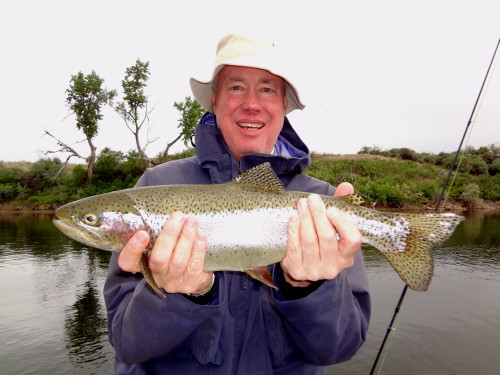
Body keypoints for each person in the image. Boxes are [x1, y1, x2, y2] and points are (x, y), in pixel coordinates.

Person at [104, 28, 370, 375]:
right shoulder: (155, 187)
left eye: (266, 89)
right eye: (235, 87)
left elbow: (338, 347)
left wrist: (310, 288)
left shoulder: (320, 204)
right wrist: (185, 295)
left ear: (283, 105)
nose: (251, 103)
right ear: (214, 100)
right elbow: (128, 343)